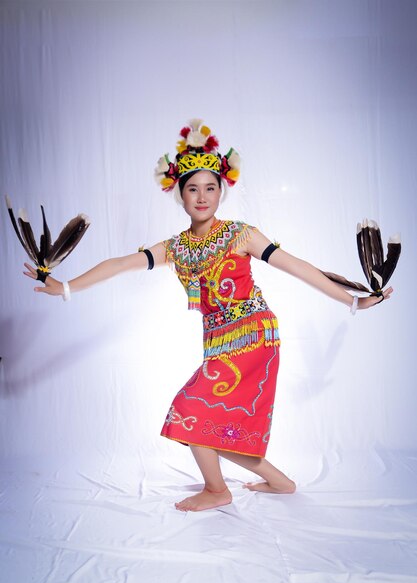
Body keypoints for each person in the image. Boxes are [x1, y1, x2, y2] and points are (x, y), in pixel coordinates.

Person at [23, 119, 393, 512]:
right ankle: (279, 480)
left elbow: (296, 266)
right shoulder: (175, 248)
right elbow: (118, 264)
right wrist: (65, 287)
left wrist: (351, 301)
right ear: (180, 194)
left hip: (253, 335)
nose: (202, 197)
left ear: (222, 192)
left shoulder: (241, 234)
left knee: (189, 411)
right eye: (193, 189)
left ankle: (218, 490)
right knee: (212, 424)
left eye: (210, 188)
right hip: (217, 342)